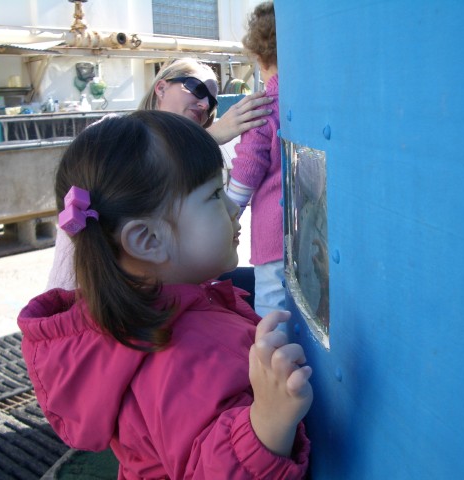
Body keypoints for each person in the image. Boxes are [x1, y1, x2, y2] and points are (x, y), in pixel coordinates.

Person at [18, 111, 313, 479]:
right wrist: (268, 420)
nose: (232, 208)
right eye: (214, 194)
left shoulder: (146, 317)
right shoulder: (180, 356)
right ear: (148, 240)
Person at [46, 57, 273, 290]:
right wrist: (209, 137)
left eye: (212, 102)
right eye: (196, 88)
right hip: (96, 298)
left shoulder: (185, 158)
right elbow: (134, 168)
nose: (205, 104)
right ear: (161, 88)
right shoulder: (111, 136)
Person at [225, 2, 284, 317]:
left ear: (260, 57)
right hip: (316, 235)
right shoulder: (319, 104)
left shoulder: (263, 107)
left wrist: (227, 217)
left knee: (270, 314)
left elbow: (244, 175)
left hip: (272, 239)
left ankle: (267, 366)